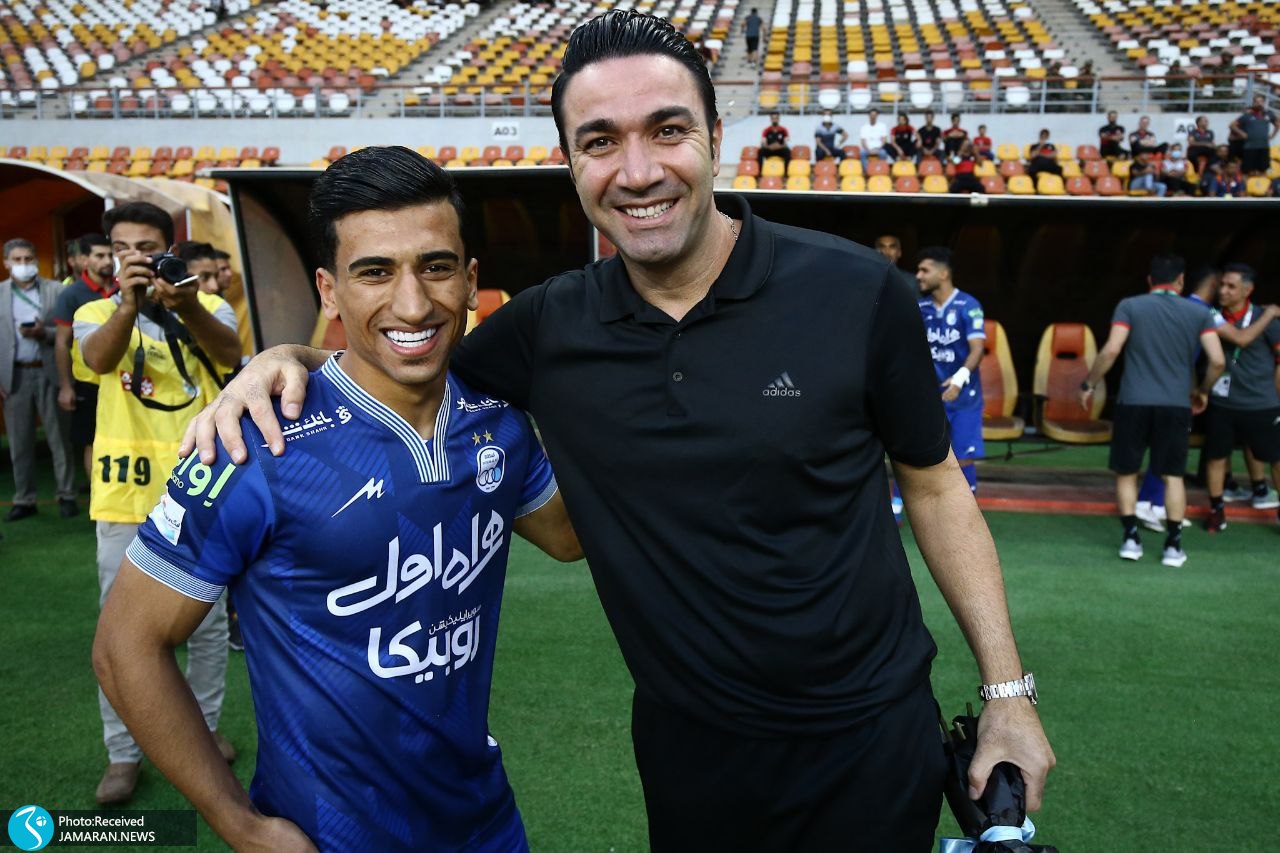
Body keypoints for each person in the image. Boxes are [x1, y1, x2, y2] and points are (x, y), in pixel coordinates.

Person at [186, 12, 1054, 849]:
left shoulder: (857, 290)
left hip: (870, 738)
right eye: (600, 141)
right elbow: (405, 348)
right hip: (687, 752)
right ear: (570, 164)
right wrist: (289, 358)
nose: (637, 172)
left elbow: (935, 485)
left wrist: (1008, 693)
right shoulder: (546, 328)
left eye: (667, 130)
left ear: (716, 137)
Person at [94, 147, 581, 851]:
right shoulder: (254, 440)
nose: (412, 303)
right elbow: (125, 646)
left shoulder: (498, 424)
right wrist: (239, 824)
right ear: (329, 290)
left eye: (436, 267)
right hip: (327, 836)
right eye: (375, 271)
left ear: (472, 279)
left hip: (486, 824)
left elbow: (569, 537)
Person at [74, 201, 243, 805]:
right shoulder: (94, 311)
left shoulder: (208, 304)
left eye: (147, 247)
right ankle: (123, 753)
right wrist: (128, 303)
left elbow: (229, 355)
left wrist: (186, 304)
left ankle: (203, 730)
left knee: (206, 626)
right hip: (123, 495)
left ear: (169, 249)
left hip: (198, 492)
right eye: (123, 248)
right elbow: (98, 360)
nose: (135, 258)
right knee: (120, 630)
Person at [1079, 254, 1226, 567]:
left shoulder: (1129, 306)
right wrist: (1202, 391)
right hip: (1176, 404)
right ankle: (1173, 546)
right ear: (1181, 281)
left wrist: (1089, 383)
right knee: (1173, 476)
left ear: (1150, 280)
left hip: (1133, 402)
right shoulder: (1199, 312)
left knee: (1127, 473)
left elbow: (1111, 350)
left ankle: (1131, 539)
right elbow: (1217, 361)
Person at [2, 238, 78, 520]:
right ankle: (24, 498)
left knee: (60, 439)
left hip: (50, 371)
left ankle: (67, 494)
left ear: (35, 260)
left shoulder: (57, 290)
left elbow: (70, 331)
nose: (24, 264)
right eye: (17, 260)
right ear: (6, 263)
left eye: (28, 259)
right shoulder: (0, 294)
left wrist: (43, 333)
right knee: (19, 441)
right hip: (14, 374)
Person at [1201, 263, 1280, 532]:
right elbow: (1242, 339)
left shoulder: (1267, 320)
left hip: (1262, 404)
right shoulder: (1212, 315)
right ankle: (1216, 510)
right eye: (1222, 285)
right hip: (1222, 402)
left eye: (1231, 286)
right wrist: (1270, 313)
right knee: (1216, 457)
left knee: (1276, 458)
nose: (1223, 291)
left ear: (1248, 290)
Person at [916, 247, 985, 493]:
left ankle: (969, 506)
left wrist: (958, 379)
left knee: (963, 457)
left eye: (925, 270)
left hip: (964, 396)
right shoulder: (920, 307)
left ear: (943, 274)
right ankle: (897, 504)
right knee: (916, 453)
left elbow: (978, 349)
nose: (918, 275)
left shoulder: (968, 305)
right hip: (929, 396)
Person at [53, 233, 117, 484]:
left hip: (125, 379)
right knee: (93, 441)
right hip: (90, 382)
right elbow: (62, 342)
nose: (107, 260)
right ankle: (97, 498)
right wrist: (66, 386)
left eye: (110, 254)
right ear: (84, 260)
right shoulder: (72, 294)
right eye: (99, 255)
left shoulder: (124, 288)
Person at [1229, 94, 1279, 176]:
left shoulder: (1269, 114)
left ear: (1264, 103)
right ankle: (1247, 184)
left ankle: (1261, 184)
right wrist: (1242, 133)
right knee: (1247, 170)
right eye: (1257, 101)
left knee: (1263, 169)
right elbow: (1232, 125)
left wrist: (1273, 135)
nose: (1259, 103)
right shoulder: (1247, 115)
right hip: (1250, 147)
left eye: (1261, 101)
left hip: (1264, 146)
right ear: (1253, 103)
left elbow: (1277, 124)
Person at [858, 108, 895, 172]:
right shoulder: (864, 127)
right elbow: (863, 141)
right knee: (861, 153)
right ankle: (868, 171)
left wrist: (878, 149)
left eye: (874, 115)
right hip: (867, 149)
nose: (873, 117)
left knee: (883, 153)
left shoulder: (882, 126)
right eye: (871, 115)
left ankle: (880, 170)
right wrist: (869, 150)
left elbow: (884, 140)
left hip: (879, 149)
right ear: (869, 116)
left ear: (877, 116)